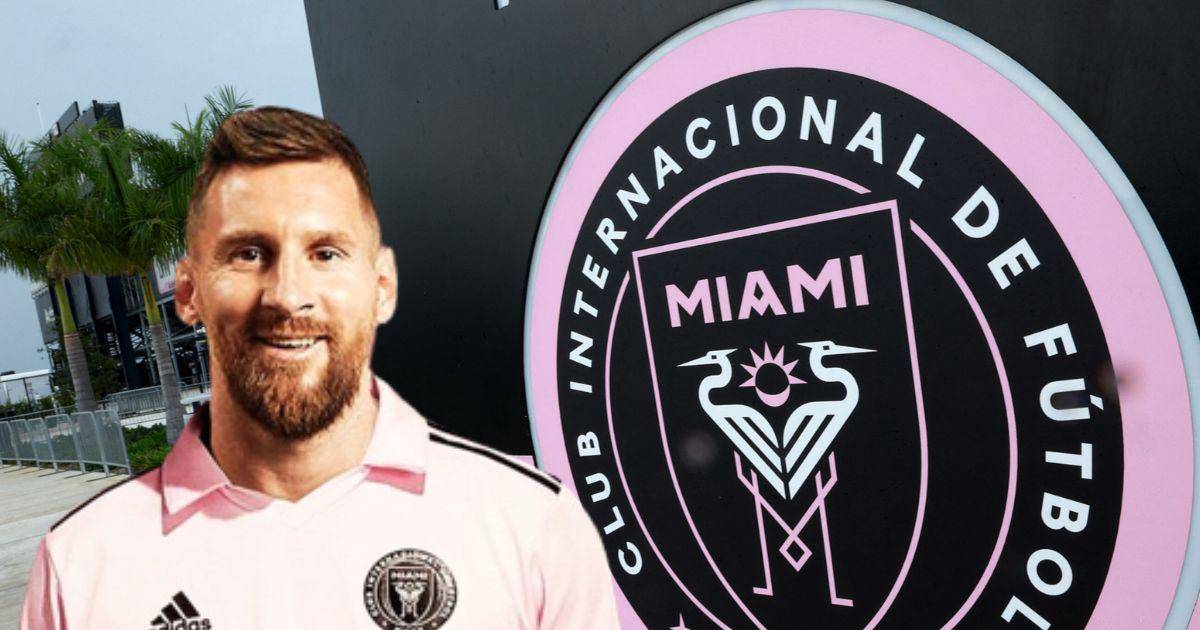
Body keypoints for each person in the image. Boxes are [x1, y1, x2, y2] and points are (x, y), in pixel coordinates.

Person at [20, 107, 619, 629]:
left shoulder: (530, 524)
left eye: (325, 253)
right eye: (248, 253)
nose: (288, 295)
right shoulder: (82, 564)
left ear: (381, 286)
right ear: (189, 291)